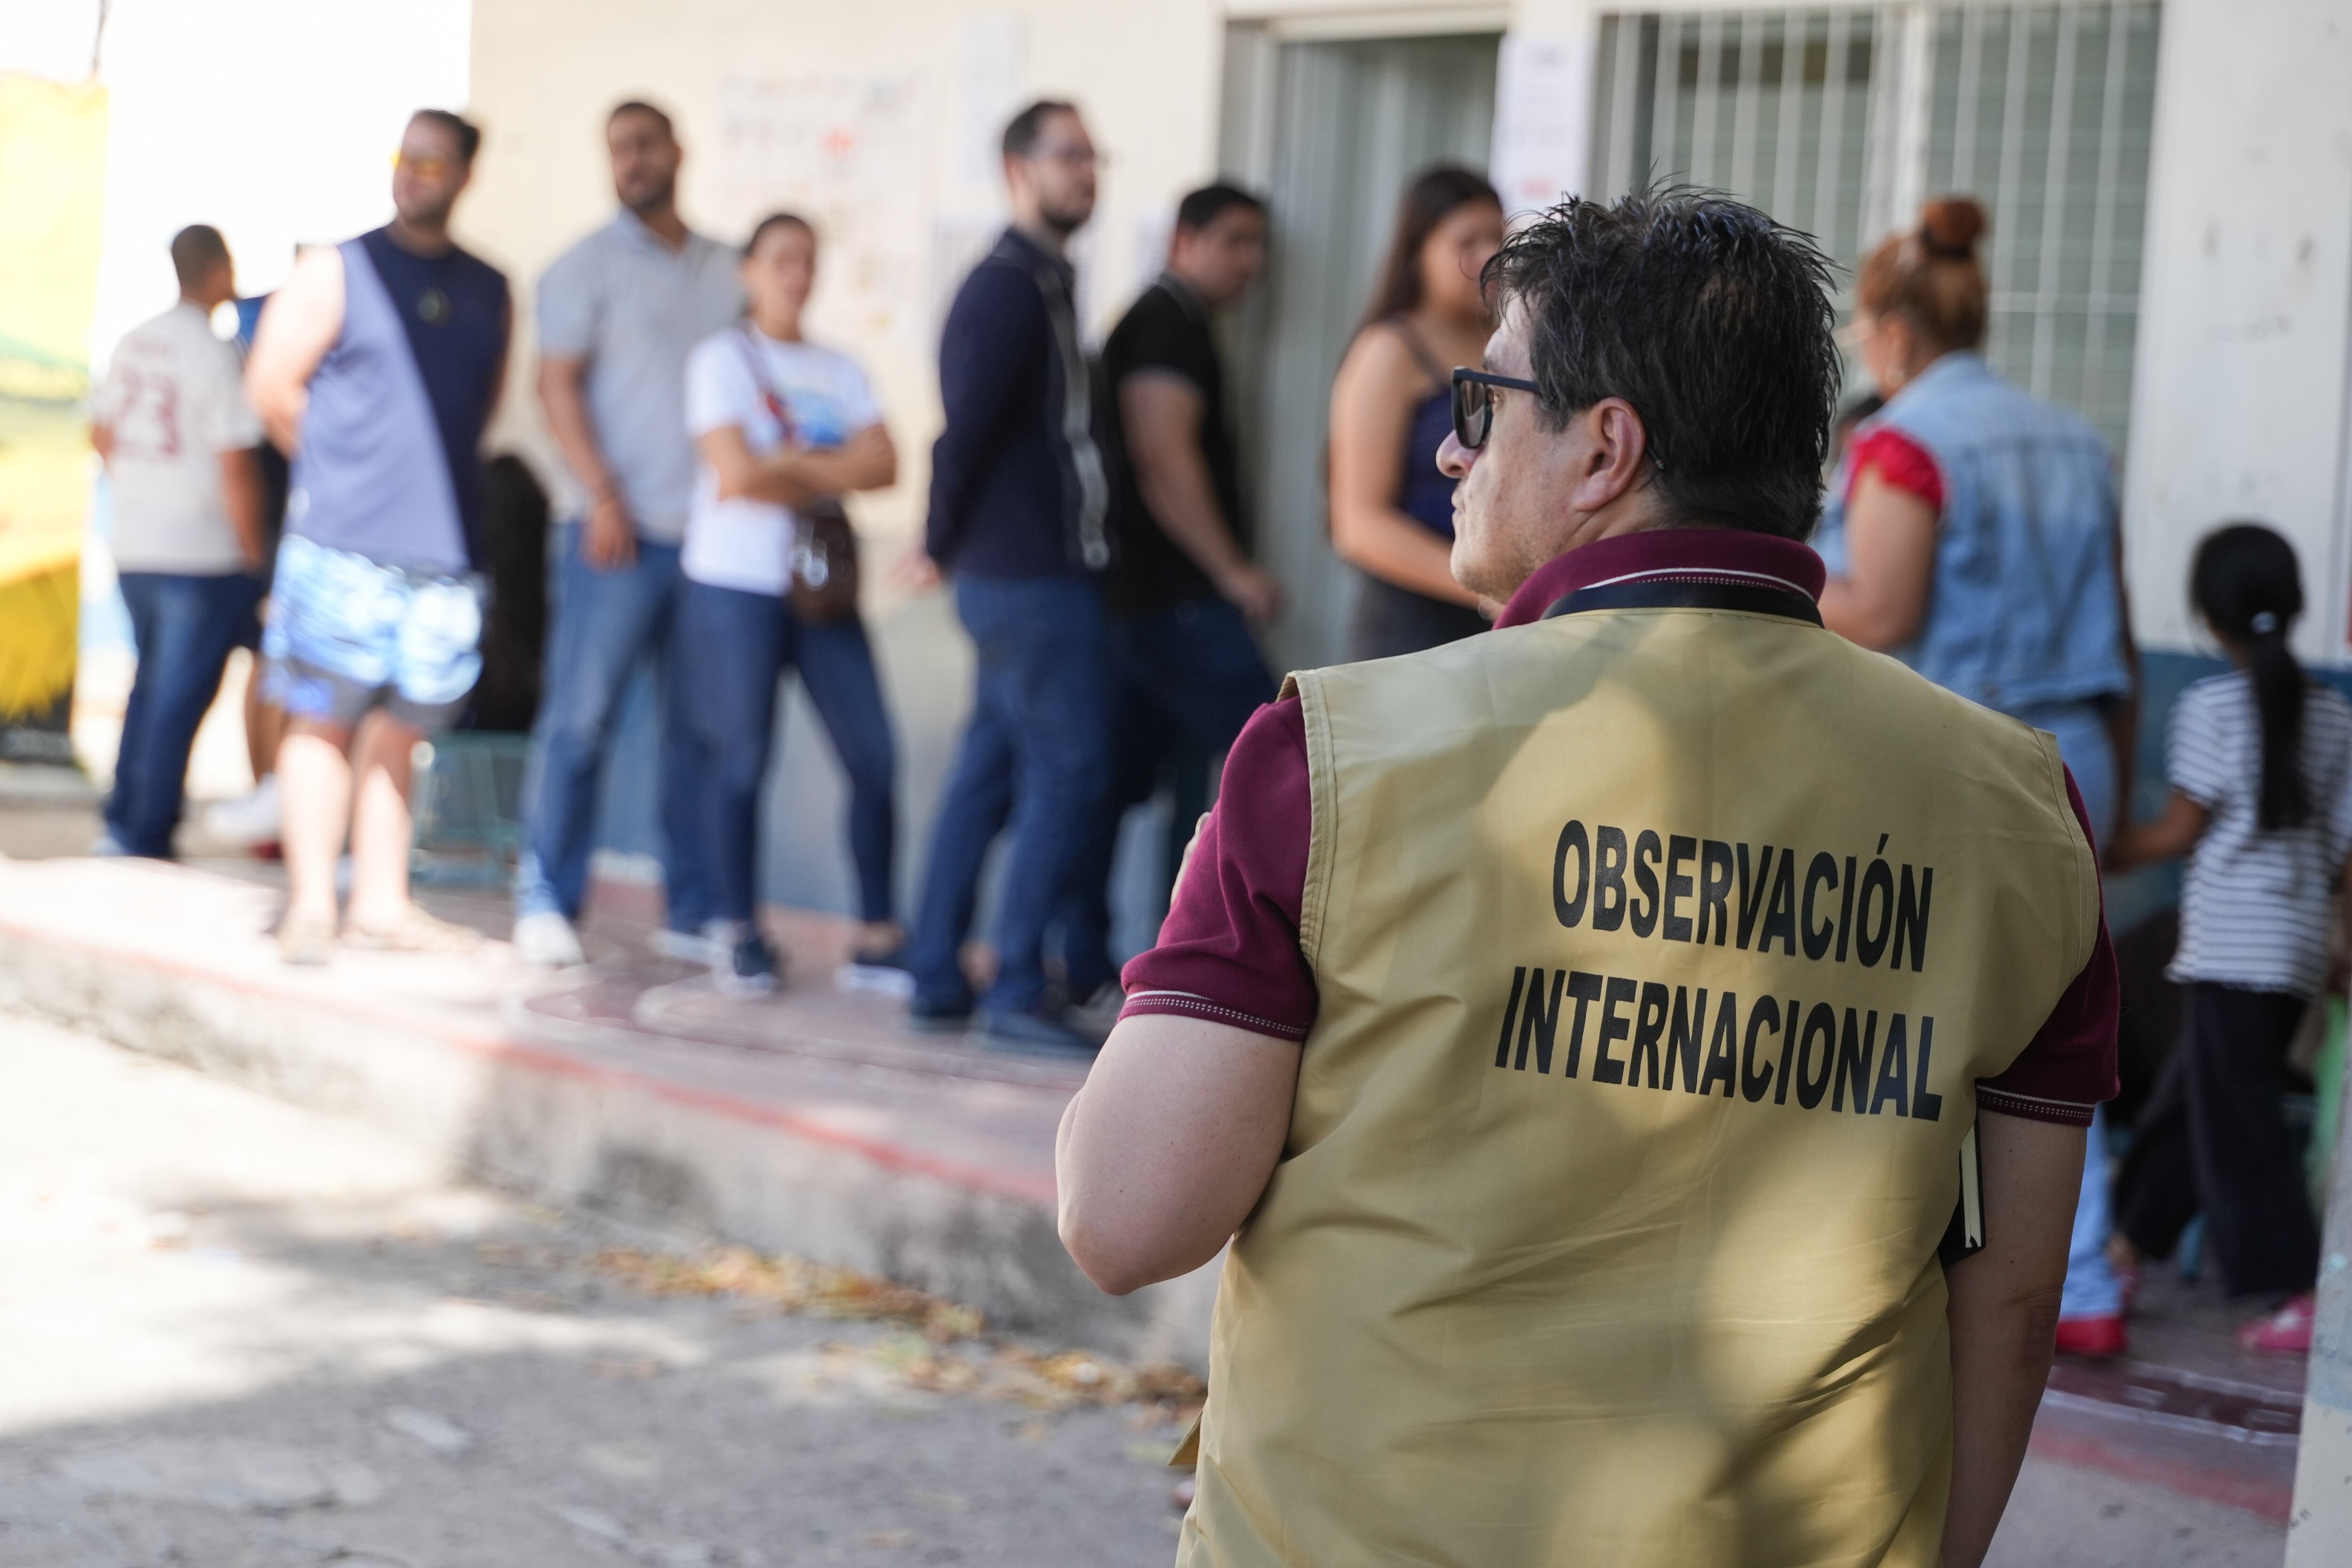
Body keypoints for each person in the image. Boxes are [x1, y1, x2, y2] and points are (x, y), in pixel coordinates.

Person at [1057, 190, 2118, 1568]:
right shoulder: (2021, 809)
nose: (1451, 449)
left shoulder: (1333, 757)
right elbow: (2016, 1301)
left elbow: (1126, 1217)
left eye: (1482, 402)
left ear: (1604, 448)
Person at [1818, 195, 2138, 1358]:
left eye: (1862, 332)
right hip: (2077, 751)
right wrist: (2119, 790)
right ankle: (2084, 1282)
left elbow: (1881, 611)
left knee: (1921, 1015)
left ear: (1894, 333)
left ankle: (1892, 1262)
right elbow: (2121, 637)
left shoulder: (1903, 444)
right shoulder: (2074, 441)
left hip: (1962, 754)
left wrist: (1764, 570)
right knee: (2063, 1028)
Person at [244, 109, 510, 964]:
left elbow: (480, 408)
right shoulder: (339, 267)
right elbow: (270, 384)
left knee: (404, 730)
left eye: (434, 161)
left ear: (464, 174)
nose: (415, 173)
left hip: (444, 555)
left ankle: (383, 904)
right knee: (322, 718)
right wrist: (343, 478)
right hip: (342, 545)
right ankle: (312, 905)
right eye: (406, 156)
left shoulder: (491, 286)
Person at [510, 100, 745, 969]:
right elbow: (555, 386)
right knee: (580, 722)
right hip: (616, 534)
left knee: (696, 734)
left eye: (645, 145)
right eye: (618, 150)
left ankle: (691, 904)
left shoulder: (730, 267)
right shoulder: (582, 266)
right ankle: (545, 895)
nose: (633, 162)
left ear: (678, 151)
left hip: (711, 544)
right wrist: (601, 494)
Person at [904, 100, 1112, 1054]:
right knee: (1070, 769)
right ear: (1017, 170)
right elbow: (962, 434)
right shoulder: (1004, 288)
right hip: (1025, 579)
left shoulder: (1048, 280)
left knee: (986, 774)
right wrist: (936, 540)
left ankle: (936, 974)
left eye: (1092, 157)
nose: (1086, 172)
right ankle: (1018, 988)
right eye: (1068, 155)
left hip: (1030, 576)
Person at [2107, 523, 2344, 1354]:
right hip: (2295, 953)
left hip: (2228, 950)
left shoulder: (2210, 707)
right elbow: (2345, 855)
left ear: (2209, 616)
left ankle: (2296, 1284)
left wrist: (2105, 849)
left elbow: (2180, 830)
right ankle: (2123, 1248)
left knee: (2237, 1122)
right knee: (2193, 1103)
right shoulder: (2336, 717)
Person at [1057, 182, 1279, 1009]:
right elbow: (1162, 457)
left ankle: (1104, 965)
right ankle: (1199, 974)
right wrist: (1232, 572)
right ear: (1185, 240)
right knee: (1279, 755)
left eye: (1259, 245)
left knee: (1118, 785)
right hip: (1173, 601)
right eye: (1235, 241)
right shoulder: (1164, 323)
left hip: (1144, 602)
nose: (1252, 262)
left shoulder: (1176, 320)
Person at [675, 213, 899, 994]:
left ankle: (878, 934)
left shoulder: (841, 366)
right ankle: (739, 927)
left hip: (821, 589)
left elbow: (887, 467)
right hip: (734, 585)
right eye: (780, 260)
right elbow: (736, 475)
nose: (796, 275)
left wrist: (791, 462)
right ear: (748, 271)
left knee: (874, 757)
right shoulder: (720, 360)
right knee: (741, 761)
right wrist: (832, 461)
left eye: (807, 260)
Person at [87, 224, 269, 860]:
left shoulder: (134, 341)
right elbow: (237, 465)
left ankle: (125, 818)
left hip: (136, 542)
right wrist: (255, 550)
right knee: (178, 696)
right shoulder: (214, 353)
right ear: (217, 268)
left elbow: (101, 433)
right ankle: (144, 830)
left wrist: (140, 490)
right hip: (200, 553)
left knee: (151, 687)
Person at [1327, 165, 1505, 660]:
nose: (1489, 256)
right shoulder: (1389, 350)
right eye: (1466, 242)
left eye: (1498, 237)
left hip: (1500, 623)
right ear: (1418, 251)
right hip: (1412, 625)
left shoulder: (1508, 341)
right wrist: (1485, 593)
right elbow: (1358, 524)